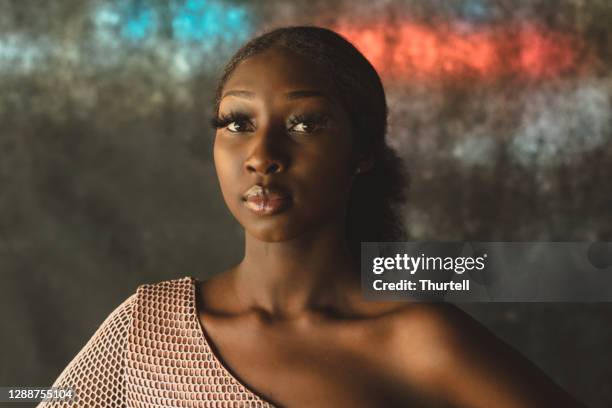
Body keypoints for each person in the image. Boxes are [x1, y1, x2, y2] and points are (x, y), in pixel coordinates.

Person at [40, 26, 585, 407]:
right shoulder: (146, 329)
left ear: (364, 150)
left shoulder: (415, 339)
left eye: (305, 124)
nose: (261, 155)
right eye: (237, 122)